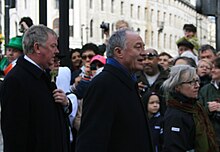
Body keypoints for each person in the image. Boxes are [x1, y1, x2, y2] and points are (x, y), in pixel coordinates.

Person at [76, 28, 154, 152]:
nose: (144, 53)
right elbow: (91, 141)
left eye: (143, 48)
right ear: (119, 52)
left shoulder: (128, 81)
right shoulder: (104, 84)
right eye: (138, 47)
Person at [0, 25, 71, 152]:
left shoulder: (44, 75)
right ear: (37, 47)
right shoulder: (16, 80)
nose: (57, 51)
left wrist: (65, 104)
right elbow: (15, 136)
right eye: (53, 46)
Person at [161, 65, 218, 152]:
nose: (197, 85)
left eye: (197, 81)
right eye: (191, 82)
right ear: (177, 86)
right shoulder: (175, 115)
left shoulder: (196, 107)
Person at [199, 57, 220, 149]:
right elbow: (198, 112)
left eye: (216, 68)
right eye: (212, 68)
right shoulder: (205, 90)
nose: (212, 71)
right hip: (211, 139)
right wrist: (208, 109)